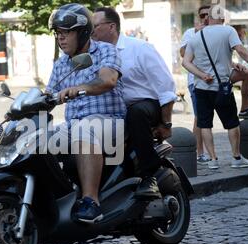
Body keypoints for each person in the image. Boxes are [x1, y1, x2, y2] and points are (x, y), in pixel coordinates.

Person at [47, 3, 126, 223]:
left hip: (110, 122)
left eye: (66, 32)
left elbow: (108, 79)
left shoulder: (105, 50)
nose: (60, 38)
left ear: (82, 32)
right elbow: (48, 94)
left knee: (84, 130)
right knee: (39, 140)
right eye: (57, 33)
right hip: (74, 125)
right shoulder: (61, 64)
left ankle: (91, 201)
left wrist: (80, 88)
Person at [92, 6, 175, 198]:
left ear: (111, 26)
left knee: (136, 113)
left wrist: (166, 123)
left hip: (145, 104)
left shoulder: (139, 48)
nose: (92, 31)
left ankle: (149, 176)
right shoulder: (95, 54)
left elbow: (165, 87)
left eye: (96, 26)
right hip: (114, 110)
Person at [182, 5, 248, 170]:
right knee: (231, 123)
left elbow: (185, 62)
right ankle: (236, 158)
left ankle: (213, 160)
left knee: (205, 124)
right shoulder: (228, 31)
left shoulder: (195, 37)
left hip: (201, 88)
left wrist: (201, 75)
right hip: (222, 87)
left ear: (209, 18)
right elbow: (241, 51)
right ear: (222, 17)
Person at [180, 5, 211, 165]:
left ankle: (211, 152)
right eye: (202, 15)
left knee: (210, 117)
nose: (205, 17)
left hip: (216, 81)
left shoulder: (218, 32)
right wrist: (197, 36)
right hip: (196, 81)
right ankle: (199, 152)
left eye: (208, 14)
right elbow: (183, 54)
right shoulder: (190, 33)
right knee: (200, 117)